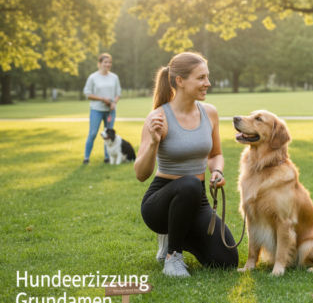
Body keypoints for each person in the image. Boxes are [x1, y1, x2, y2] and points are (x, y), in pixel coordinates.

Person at [134, 52, 239, 277]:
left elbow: (215, 154)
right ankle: (173, 256)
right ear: (180, 81)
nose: (207, 83)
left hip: (197, 199)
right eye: (201, 78)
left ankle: (176, 235)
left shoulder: (209, 112)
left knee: (227, 261)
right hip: (160, 203)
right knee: (190, 183)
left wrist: (217, 171)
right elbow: (141, 174)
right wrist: (153, 143)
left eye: (207, 77)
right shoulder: (159, 117)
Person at [83, 53, 121, 164]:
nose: (108, 64)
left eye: (109, 62)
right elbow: (87, 94)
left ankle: (107, 157)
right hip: (96, 110)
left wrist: (114, 102)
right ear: (99, 63)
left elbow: (118, 93)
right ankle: (86, 158)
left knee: (109, 135)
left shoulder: (114, 77)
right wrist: (101, 99)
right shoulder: (93, 77)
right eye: (105, 62)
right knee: (93, 133)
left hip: (110, 111)